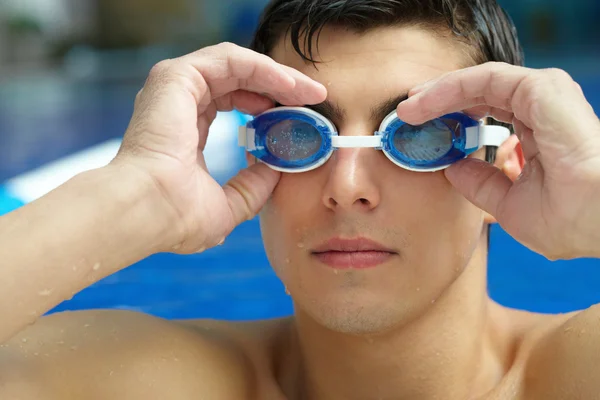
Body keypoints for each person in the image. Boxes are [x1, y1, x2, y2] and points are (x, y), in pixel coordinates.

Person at [1, 0, 599, 398]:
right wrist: (131, 198)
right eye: (300, 136)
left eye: (420, 135)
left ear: (508, 163)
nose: (346, 189)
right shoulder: (164, 381)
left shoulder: (570, 374)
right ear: (258, 154)